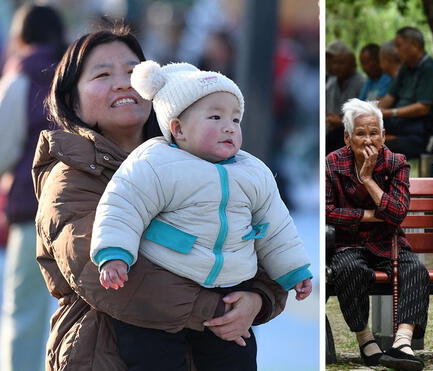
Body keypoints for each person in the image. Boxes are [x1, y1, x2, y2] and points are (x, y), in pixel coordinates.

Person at [34, 26, 288, 371]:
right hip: (105, 353)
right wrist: (220, 310)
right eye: (102, 74)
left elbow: (264, 236)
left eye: (131, 71)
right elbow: (107, 277)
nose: (123, 82)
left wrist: (260, 297)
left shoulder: (203, 158)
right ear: (72, 98)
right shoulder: (69, 178)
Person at [90, 60, 312, 361]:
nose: (228, 127)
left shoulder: (254, 171)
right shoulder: (155, 162)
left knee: (237, 358)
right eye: (216, 117)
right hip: (165, 281)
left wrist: (294, 271)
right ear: (178, 128)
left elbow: (276, 227)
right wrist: (114, 253)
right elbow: (123, 205)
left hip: (230, 288)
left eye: (235, 120)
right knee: (151, 357)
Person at [326, 98, 429, 371]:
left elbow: (396, 214)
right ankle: (365, 339)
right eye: (361, 133)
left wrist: (368, 179)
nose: (368, 139)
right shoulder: (333, 163)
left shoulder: (396, 163)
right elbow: (327, 211)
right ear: (348, 137)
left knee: (415, 269)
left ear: (383, 136)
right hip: (349, 244)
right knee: (350, 270)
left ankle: (402, 343)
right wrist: (368, 215)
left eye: (374, 133)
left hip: (388, 241)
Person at [0, 5, 65, 371]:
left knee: (24, 313)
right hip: (81, 210)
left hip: (32, 211)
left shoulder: (20, 76)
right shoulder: (72, 78)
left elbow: (3, 149)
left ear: (21, 36)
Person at [378, 26, 433, 160]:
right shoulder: (406, 68)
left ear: (415, 45)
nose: (396, 51)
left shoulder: (429, 68)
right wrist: (370, 111)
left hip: (423, 132)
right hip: (401, 125)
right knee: (352, 136)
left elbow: (423, 108)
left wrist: (390, 113)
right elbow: (389, 98)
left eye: (399, 46)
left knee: (379, 148)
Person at [325, 40, 365, 154]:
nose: (336, 66)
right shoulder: (332, 82)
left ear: (352, 64)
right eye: (334, 62)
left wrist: (341, 121)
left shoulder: (361, 82)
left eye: (340, 63)